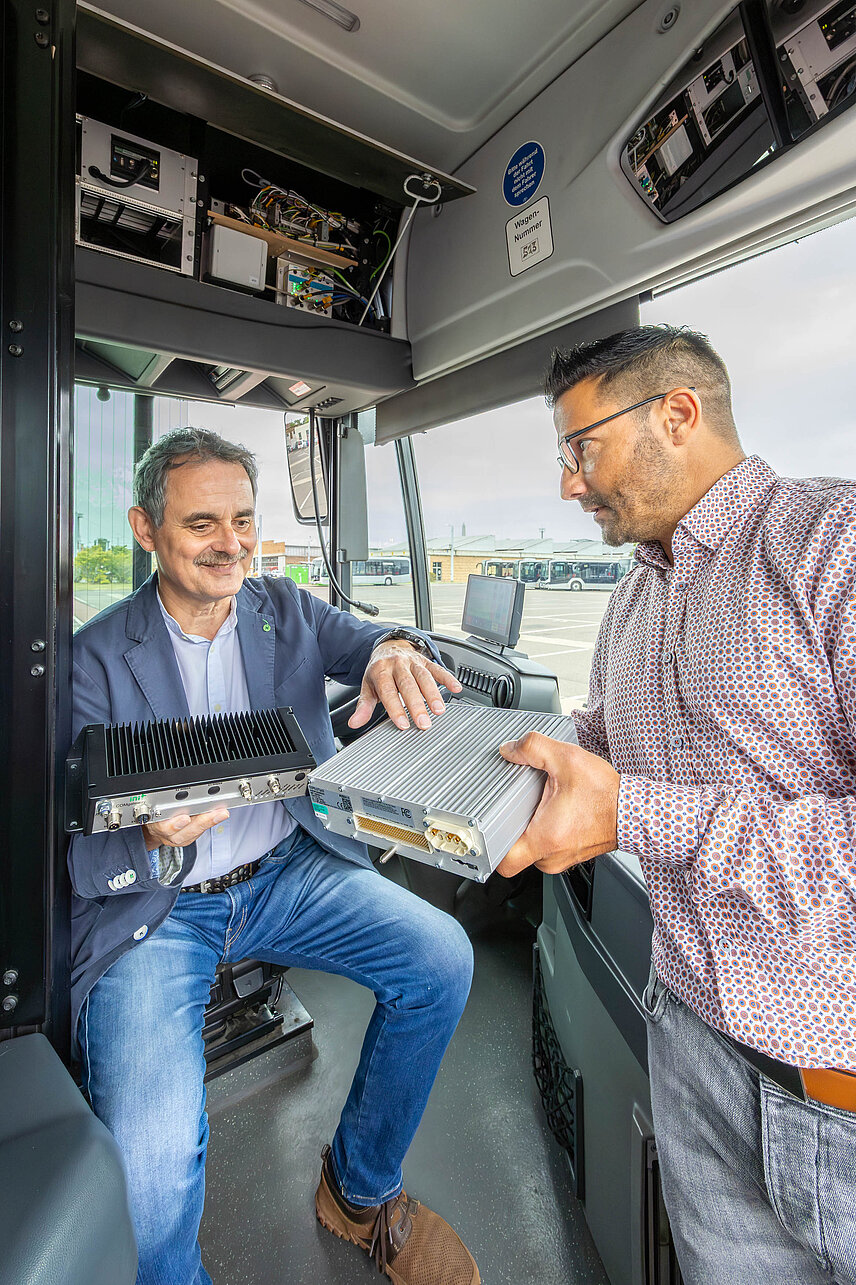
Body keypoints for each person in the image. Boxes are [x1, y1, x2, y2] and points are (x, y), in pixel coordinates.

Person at [70, 427, 480, 1285]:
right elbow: (65, 830)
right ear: (146, 529)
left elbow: (377, 638)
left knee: (440, 956)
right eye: (202, 524)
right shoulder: (93, 656)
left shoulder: (282, 607)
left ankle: (359, 1191)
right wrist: (144, 836)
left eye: (245, 520)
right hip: (160, 907)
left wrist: (394, 649)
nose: (231, 544)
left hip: (286, 875)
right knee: (146, 1191)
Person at [498, 326, 856, 1285]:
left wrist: (637, 817)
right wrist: (468, 765)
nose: (569, 485)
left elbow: (633, 804)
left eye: (582, 449)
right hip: (688, 1046)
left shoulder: (834, 545)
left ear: (678, 415)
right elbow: (602, 741)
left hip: (831, 1083)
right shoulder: (635, 599)